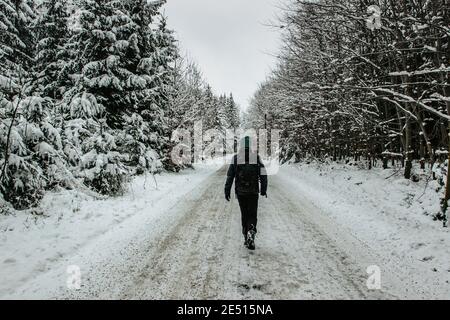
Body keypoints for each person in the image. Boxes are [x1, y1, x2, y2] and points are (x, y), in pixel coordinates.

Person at [224, 136, 268, 250]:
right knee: (252, 214)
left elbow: (230, 176)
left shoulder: (235, 158)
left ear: (241, 146)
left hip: (241, 192)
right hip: (253, 192)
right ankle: (251, 230)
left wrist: (227, 190)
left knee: (244, 214)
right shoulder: (256, 158)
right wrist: (263, 190)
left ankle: (245, 235)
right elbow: (263, 174)